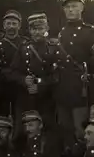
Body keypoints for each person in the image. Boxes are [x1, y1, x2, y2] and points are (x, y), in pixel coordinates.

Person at [55, 0, 94, 148]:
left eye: (74, 6)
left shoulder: (89, 32)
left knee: (81, 130)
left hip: (80, 89)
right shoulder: (61, 33)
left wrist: (87, 68)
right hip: (61, 88)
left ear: (82, 8)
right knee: (63, 128)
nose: (71, 10)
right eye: (67, 7)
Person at [4, 12, 59, 144]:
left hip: (47, 99)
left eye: (40, 28)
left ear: (47, 29)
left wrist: (40, 85)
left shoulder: (54, 49)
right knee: (21, 133)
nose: (37, 32)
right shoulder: (23, 49)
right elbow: (12, 72)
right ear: (29, 30)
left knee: (47, 131)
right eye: (34, 29)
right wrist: (24, 80)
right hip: (25, 98)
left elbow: (58, 75)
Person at [0, 10, 28, 127]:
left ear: (19, 25)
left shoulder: (26, 43)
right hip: (3, 89)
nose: (11, 27)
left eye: (14, 23)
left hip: (21, 89)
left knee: (21, 121)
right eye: (8, 24)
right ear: (4, 25)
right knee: (1, 122)